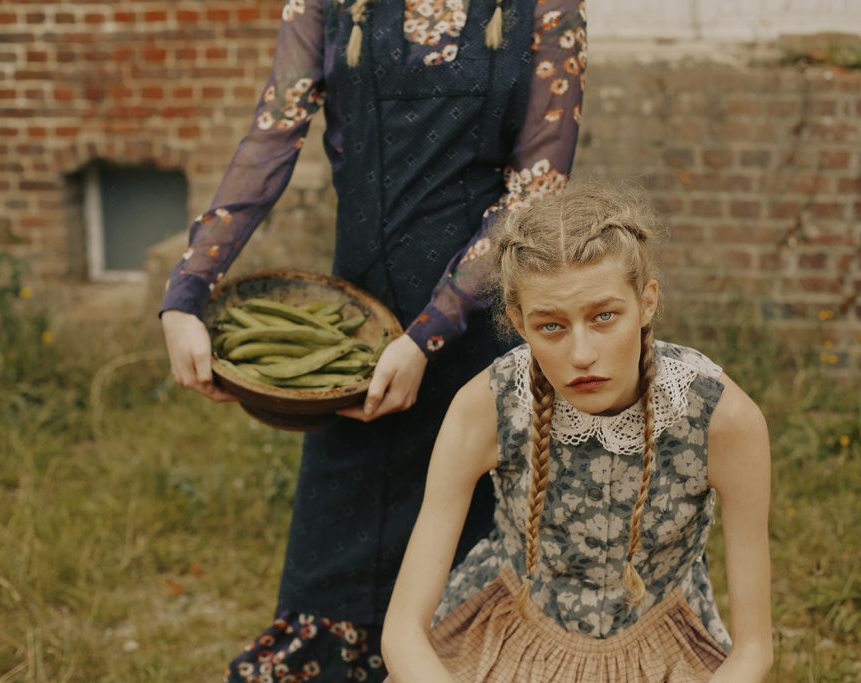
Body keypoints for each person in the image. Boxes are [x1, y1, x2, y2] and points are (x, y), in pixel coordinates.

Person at [159, 0, 587, 680]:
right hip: (359, 348)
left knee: (466, 612)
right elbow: (273, 133)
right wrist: (188, 289)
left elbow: (536, 189)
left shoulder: (546, 7)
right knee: (332, 590)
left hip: (481, 347)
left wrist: (428, 334)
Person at [382, 183, 774, 682]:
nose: (582, 354)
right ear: (519, 322)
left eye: (604, 317)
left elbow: (754, 651)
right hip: (509, 633)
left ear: (647, 302)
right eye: (551, 326)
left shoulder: (721, 418)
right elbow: (402, 632)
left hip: (661, 648)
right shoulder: (487, 406)